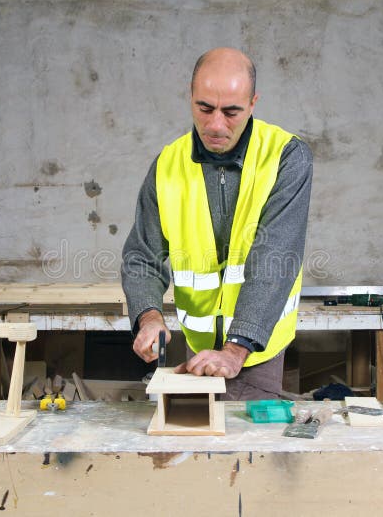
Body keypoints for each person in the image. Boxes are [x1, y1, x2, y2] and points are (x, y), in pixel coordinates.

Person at [121, 47, 313, 400]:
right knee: (195, 429)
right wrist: (148, 317)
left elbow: (274, 258)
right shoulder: (168, 164)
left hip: (256, 347)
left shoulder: (286, 156)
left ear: (253, 103)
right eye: (205, 108)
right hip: (198, 345)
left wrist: (236, 348)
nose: (215, 125)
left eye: (231, 112)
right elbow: (141, 257)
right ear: (190, 96)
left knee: (245, 433)